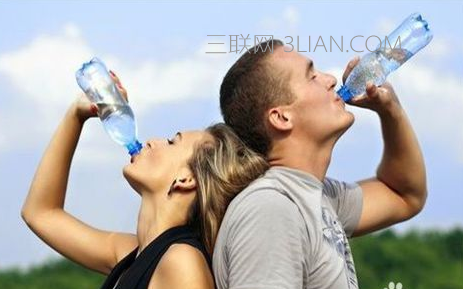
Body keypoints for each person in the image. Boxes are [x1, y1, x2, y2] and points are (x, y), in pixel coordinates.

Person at [21, 72, 269, 289]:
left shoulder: (181, 262)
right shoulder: (132, 254)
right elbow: (40, 212)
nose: (153, 140)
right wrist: (76, 115)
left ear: (186, 179)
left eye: (173, 141)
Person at [213, 40, 428, 289]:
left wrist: (390, 110)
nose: (331, 79)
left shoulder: (317, 196)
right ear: (281, 117)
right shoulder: (271, 209)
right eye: (311, 76)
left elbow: (404, 195)